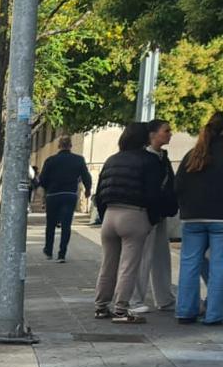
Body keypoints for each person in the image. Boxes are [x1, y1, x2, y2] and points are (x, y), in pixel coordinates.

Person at [93, 122, 167, 323]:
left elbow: (99, 193)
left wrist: (103, 213)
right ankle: (121, 310)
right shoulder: (149, 160)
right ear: (145, 138)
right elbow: (153, 193)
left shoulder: (111, 160)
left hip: (110, 215)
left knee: (108, 264)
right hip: (134, 215)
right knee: (129, 266)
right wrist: (152, 219)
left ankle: (101, 306)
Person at [174, 112, 223, 325]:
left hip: (192, 218)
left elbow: (178, 186)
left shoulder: (193, 154)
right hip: (220, 218)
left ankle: (185, 312)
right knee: (219, 266)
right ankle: (214, 314)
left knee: (189, 264)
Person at [130, 119, 179, 313]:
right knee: (142, 256)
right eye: (166, 131)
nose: (170, 134)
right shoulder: (145, 158)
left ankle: (164, 297)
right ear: (152, 134)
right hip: (147, 213)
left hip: (161, 212)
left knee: (161, 255)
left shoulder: (162, 157)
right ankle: (134, 299)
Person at [39, 135, 92, 262]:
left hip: (53, 195)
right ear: (71, 146)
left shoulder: (50, 160)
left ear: (58, 146)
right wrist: (88, 190)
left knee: (50, 224)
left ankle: (48, 250)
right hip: (69, 195)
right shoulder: (78, 160)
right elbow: (86, 176)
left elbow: (42, 179)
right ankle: (61, 254)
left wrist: (46, 190)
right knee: (66, 225)